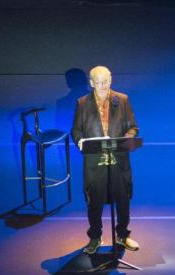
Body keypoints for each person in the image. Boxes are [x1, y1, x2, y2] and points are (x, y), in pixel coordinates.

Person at [71, 65, 140, 255]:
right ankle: (95, 237)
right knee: (95, 201)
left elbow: (133, 127)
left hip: (119, 160)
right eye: (99, 82)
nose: (103, 85)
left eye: (106, 81)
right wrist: (81, 142)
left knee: (123, 199)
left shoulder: (122, 99)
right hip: (95, 161)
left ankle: (122, 235)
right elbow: (76, 131)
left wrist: (126, 138)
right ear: (91, 82)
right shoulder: (82, 103)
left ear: (111, 80)